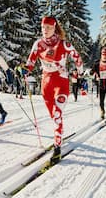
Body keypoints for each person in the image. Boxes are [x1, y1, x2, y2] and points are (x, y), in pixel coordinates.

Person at [25, 16, 83, 165]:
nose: (45, 30)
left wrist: (80, 72)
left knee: (57, 114)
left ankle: (57, 148)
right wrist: (23, 71)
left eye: (49, 28)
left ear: (54, 27)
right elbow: (30, 62)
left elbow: (77, 57)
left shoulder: (64, 44)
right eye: (43, 27)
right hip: (46, 83)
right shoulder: (38, 44)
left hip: (61, 82)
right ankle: (59, 132)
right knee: (54, 116)